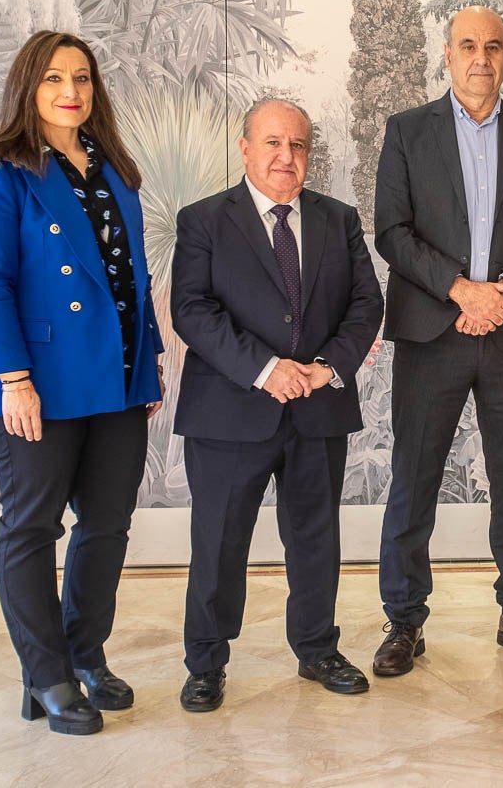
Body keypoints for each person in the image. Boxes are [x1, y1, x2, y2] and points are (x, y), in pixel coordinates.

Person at [0, 30, 165, 736]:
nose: (70, 90)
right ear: (27, 87)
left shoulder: (112, 167)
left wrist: (150, 362)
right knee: (33, 526)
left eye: (81, 77)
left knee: (106, 526)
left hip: (117, 379)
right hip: (35, 381)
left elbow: (130, 279)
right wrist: (12, 377)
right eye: (52, 78)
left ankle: (84, 654)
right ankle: (45, 675)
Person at [372, 5, 503, 674]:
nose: (480, 57)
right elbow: (392, 232)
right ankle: (404, 621)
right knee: (415, 478)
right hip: (434, 331)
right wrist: (461, 291)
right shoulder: (406, 132)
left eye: (492, 46)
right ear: (447, 54)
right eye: (467, 45)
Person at [171, 97, 383, 711]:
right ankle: (206, 663)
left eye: (298, 145)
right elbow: (192, 309)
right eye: (272, 143)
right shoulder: (204, 220)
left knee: (315, 539)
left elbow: (366, 305)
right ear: (245, 148)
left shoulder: (338, 220)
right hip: (230, 411)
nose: (286, 157)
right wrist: (265, 370)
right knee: (218, 542)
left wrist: (326, 369)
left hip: (317, 410)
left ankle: (317, 649)